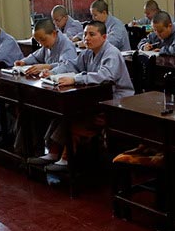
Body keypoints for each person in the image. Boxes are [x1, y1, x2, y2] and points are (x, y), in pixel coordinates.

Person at [35, 21, 135, 171]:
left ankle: (66, 159)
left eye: (92, 34)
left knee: (75, 118)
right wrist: (54, 72)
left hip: (116, 102)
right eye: (85, 34)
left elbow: (106, 76)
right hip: (95, 99)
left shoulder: (111, 53)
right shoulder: (88, 52)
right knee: (61, 115)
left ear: (104, 37)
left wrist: (76, 79)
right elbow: (72, 65)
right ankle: (53, 153)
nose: (87, 38)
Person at [14, 18, 79, 76]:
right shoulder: (47, 45)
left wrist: (48, 67)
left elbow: (67, 66)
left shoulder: (67, 45)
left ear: (54, 34)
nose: (41, 44)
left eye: (43, 39)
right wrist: (24, 62)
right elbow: (35, 57)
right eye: (38, 41)